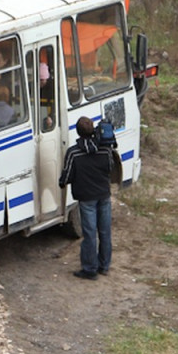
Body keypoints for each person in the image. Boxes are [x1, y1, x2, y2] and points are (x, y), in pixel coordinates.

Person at [58, 116, 115, 280]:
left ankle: (90, 269)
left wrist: (62, 183)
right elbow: (110, 167)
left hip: (86, 198)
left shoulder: (73, 152)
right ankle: (104, 266)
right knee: (105, 232)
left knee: (90, 234)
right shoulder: (105, 149)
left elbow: (67, 176)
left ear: (77, 132)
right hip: (104, 195)